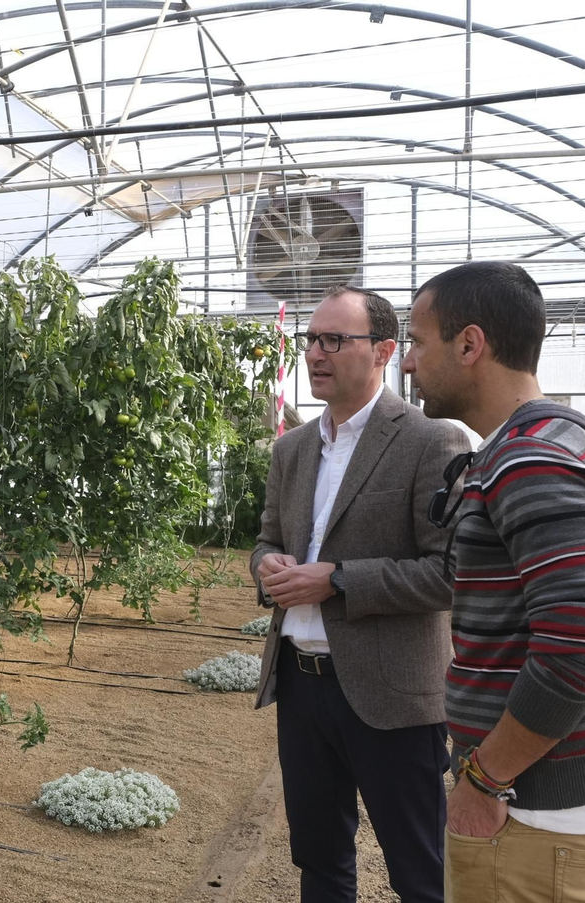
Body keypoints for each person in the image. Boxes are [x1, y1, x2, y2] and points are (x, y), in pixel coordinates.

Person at [401, 261, 585, 903]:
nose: (406, 363)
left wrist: (485, 781)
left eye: (417, 343)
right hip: (548, 808)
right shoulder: (554, 437)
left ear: (470, 345)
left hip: (536, 816)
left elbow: (583, 647)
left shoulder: (529, 459)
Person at [251, 285, 471, 903]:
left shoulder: (431, 441)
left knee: (421, 870)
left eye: (333, 340)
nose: (315, 354)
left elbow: (449, 572)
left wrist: (338, 578)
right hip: (301, 686)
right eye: (310, 340)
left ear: (383, 351)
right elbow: (265, 541)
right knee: (319, 864)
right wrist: (269, 568)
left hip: (393, 696)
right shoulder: (293, 447)